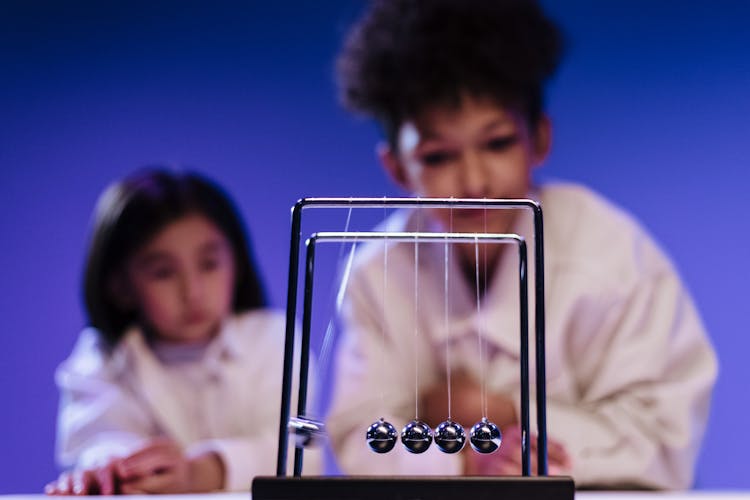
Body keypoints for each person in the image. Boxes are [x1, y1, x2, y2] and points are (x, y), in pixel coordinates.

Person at [326, 0, 717, 489]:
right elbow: (360, 436)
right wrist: (464, 461)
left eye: (497, 143)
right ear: (397, 168)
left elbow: (663, 433)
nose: (473, 182)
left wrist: (506, 416)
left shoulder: (611, 255)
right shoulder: (376, 272)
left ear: (540, 138)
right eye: (438, 155)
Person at [45, 168, 319, 495]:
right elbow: (96, 443)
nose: (192, 292)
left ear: (237, 263)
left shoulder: (274, 339)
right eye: (163, 273)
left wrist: (198, 473)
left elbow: (302, 453)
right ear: (121, 286)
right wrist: (120, 469)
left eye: (209, 264)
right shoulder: (100, 357)